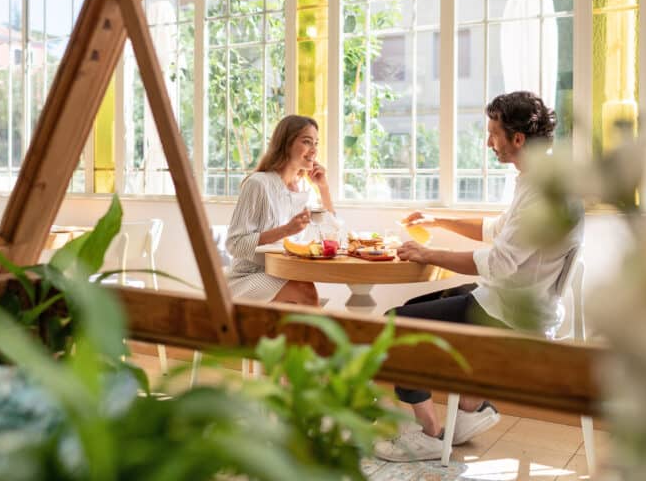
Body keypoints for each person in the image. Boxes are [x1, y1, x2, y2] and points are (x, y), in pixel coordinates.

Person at [375, 91, 583, 462]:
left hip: (510, 313)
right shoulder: (537, 181)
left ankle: (431, 434)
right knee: (413, 307)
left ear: (517, 139)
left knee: (395, 326)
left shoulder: (544, 194)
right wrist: (439, 220)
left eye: (492, 133)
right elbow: (496, 229)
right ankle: (470, 409)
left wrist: (427, 253)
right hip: (511, 299)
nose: (488, 142)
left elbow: (499, 262)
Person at [225, 115, 335, 306]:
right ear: (286, 144)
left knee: (305, 289)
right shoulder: (259, 184)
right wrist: (286, 230)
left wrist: (323, 188)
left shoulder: (305, 190)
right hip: (249, 276)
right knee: (306, 292)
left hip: (285, 273)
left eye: (316, 143)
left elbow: (331, 234)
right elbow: (234, 245)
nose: (314, 150)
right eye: (307, 142)